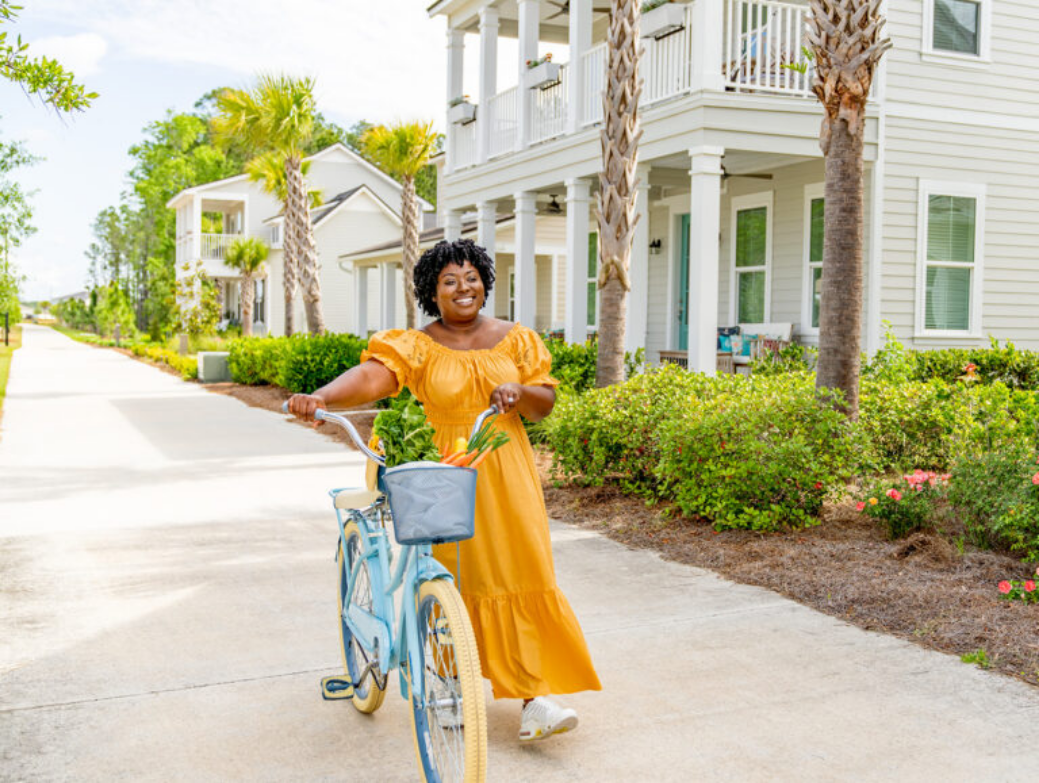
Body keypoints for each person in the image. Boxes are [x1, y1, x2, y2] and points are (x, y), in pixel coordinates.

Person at [287, 238, 601, 742]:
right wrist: (320, 397)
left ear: (485, 283)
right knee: (448, 573)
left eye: (471, 276)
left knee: (522, 570)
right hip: (440, 472)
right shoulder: (416, 345)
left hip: (505, 472)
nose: (463, 287)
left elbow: (544, 403)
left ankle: (533, 698)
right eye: (449, 280)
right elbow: (373, 377)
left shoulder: (516, 339)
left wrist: (519, 393)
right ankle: (447, 679)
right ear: (432, 291)